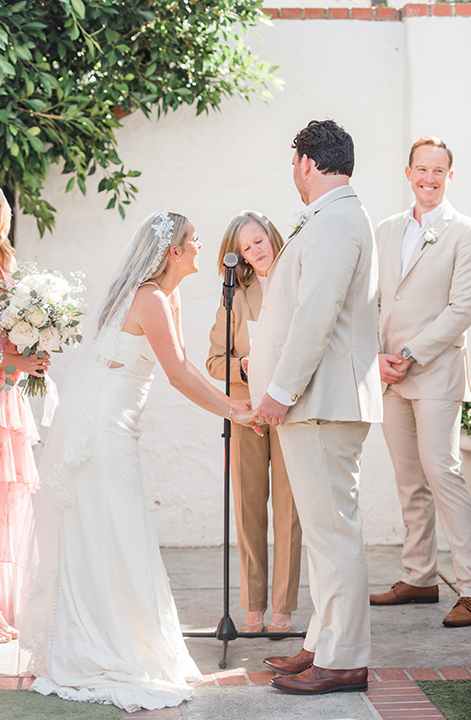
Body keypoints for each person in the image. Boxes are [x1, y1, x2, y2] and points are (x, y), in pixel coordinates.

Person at [20, 212, 261, 713]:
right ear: (174, 252)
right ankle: (112, 645)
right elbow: (178, 373)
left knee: (112, 527)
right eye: (194, 241)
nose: (201, 247)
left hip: (115, 420)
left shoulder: (163, 295)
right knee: (117, 527)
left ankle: (117, 633)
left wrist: (231, 404)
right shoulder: (151, 297)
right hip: (105, 427)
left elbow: (183, 368)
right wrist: (234, 409)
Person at [248, 120, 382, 695]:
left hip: (320, 401)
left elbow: (315, 316)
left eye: (293, 164)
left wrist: (279, 391)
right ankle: (322, 643)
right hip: (321, 400)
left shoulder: (335, 221)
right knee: (329, 530)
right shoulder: (336, 218)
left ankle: (345, 659)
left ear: (306, 161)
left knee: (333, 534)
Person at [370, 136, 471, 627]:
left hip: (435, 371)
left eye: (439, 171)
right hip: (389, 375)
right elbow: (370, 302)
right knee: (409, 480)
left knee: (442, 472)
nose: (429, 178)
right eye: (421, 169)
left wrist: (410, 354)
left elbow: (463, 308)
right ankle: (419, 576)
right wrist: (379, 357)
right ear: (407, 172)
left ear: (450, 177)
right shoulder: (387, 229)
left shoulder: (463, 232)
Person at [207, 211, 302, 636]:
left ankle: (283, 607)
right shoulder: (235, 295)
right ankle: (253, 605)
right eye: (246, 247)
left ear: (272, 237)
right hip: (246, 412)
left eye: (259, 241)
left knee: (289, 508)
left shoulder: (298, 279)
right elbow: (213, 361)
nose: (256, 251)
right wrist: (244, 367)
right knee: (247, 508)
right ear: (238, 256)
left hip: (292, 409)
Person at [0, 181, 50, 645]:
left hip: (5, 396)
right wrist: (12, 362)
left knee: (4, 506)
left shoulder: (4, 262)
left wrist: (36, 348)